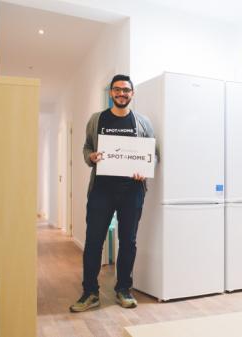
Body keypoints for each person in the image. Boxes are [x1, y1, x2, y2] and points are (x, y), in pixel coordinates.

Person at [70, 74, 155, 312]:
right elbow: (87, 147)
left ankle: (123, 289)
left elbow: (153, 153)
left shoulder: (142, 123)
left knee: (128, 242)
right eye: (117, 90)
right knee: (94, 242)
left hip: (132, 192)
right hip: (101, 191)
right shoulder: (97, 120)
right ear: (111, 93)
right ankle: (90, 293)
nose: (121, 94)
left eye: (126, 90)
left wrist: (145, 170)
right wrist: (91, 157)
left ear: (132, 94)